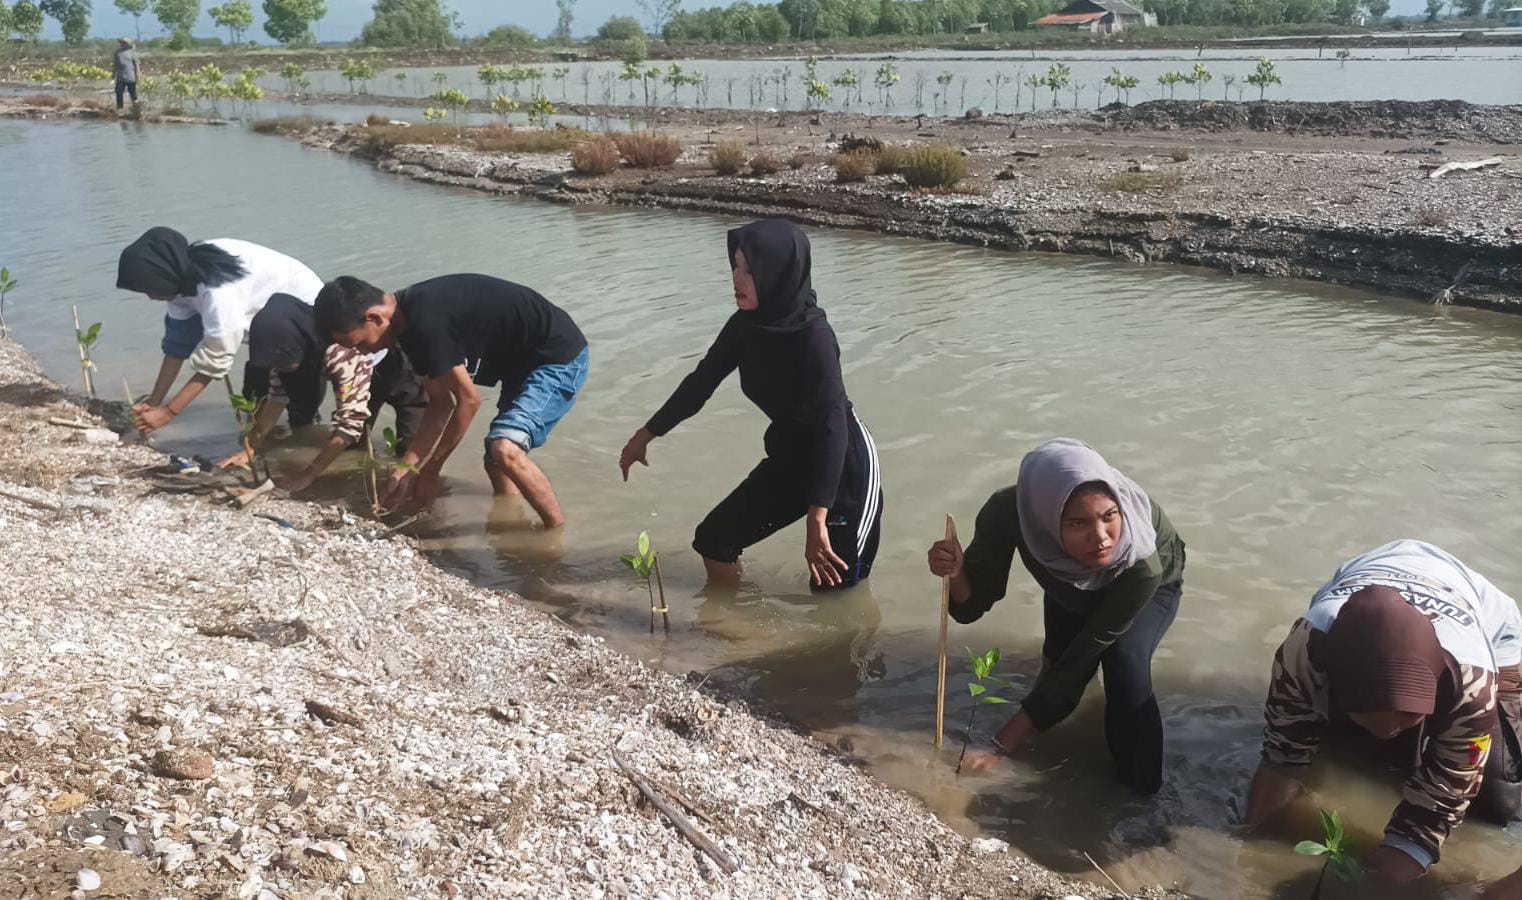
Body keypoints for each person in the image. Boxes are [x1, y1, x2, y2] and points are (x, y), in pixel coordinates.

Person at [618, 219, 883, 591]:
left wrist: (816, 518)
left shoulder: (815, 337)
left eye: (749, 270)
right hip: (790, 457)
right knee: (714, 541)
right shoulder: (744, 326)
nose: (737, 279)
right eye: (735, 267)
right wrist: (645, 434)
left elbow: (832, 425)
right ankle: (733, 627)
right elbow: (701, 383)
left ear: (777, 273)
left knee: (835, 595)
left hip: (842, 469)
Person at [1244, 540, 1522, 884]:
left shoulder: (1472, 682)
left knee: (1495, 799)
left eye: (1406, 719)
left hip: (1492, 633)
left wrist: (1384, 881)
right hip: (1357, 609)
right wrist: (1249, 848)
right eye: (1374, 718)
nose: (1391, 730)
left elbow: (1445, 798)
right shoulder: (1305, 648)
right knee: (1343, 750)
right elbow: (1284, 752)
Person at [926, 438, 1185, 795]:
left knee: (1123, 662)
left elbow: (1086, 653)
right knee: (1058, 664)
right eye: (1078, 524)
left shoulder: (1141, 562)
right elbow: (971, 607)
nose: (1101, 538)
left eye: (1109, 517)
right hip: (1068, 578)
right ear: (1046, 521)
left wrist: (1000, 745)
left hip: (1145, 585)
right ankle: (1059, 736)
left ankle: (1139, 798)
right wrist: (955, 573)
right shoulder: (1009, 512)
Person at [314, 274, 588, 527]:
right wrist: (407, 469)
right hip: (518, 365)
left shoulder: (425, 321)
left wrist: (431, 469)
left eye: (360, 344)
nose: (363, 353)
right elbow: (440, 403)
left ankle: (554, 539)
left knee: (505, 449)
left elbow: (469, 401)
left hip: (557, 358)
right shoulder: (408, 327)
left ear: (374, 318)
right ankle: (509, 526)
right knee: (495, 462)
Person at [116, 227, 323, 433]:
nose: (151, 297)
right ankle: (259, 445)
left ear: (163, 275)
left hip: (306, 316)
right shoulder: (180, 279)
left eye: (150, 289)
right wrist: (154, 403)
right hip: (266, 326)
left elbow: (216, 360)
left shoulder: (219, 290)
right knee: (254, 396)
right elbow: (176, 348)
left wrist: (169, 412)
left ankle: (292, 441)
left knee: (300, 407)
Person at [215, 293, 427, 493]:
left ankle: (416, 495)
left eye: (284, 365)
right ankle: (362, 491)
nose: (281, 369)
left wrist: (308, 475)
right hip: (356, 371)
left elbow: (348, 425)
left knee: (409, 450)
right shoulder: (287, 349)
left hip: (392, 368)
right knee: (356, 445)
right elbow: (277, 397)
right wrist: (251, 448)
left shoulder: (339, 352)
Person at [112, 38, 140, 111]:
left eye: (124, 43)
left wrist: (138, 74)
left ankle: (137, 109)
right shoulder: (117, 52)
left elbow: (137, 65)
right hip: (120, 77)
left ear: (128, 44)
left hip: (130, 77)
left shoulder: (133, 53)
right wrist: (113, 73)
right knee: (119, 92)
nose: (122, 44)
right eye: (122, 43)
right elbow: (115, 64)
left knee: (133, 94)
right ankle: (120, 109)